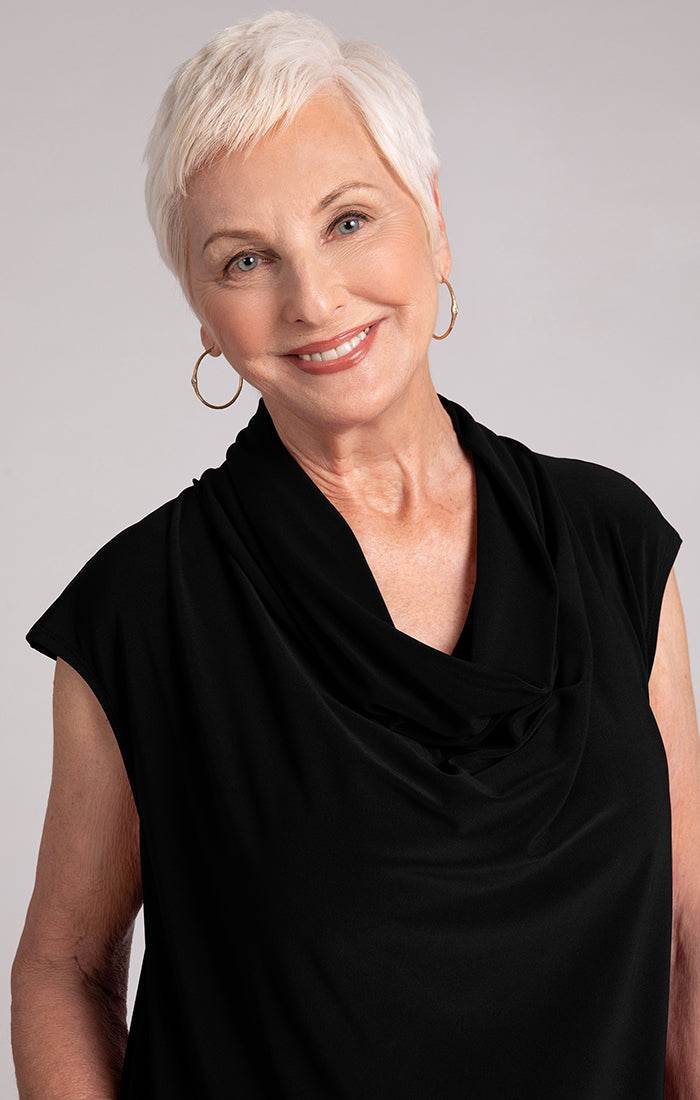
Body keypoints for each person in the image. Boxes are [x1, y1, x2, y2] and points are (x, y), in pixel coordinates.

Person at [11, 10, 698, 1099]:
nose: (314, 299)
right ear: (202, 311)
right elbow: (65, 967)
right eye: (246, 259)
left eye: (347, 220)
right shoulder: (141, 612)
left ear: (434, 222)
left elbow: (686, 938)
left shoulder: (612, 544)